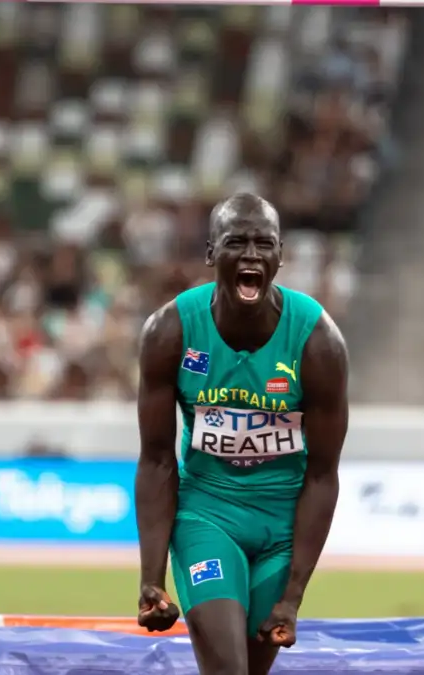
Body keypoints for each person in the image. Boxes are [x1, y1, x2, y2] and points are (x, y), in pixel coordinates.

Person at [134, 192, 349, 675]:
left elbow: (323, 475)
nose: (251, 254)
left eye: (263, 244)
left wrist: (293, 597)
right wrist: (151, 579)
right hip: (207, 517)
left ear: (279, 256)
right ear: (211, 253)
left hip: (282, 529)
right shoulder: (170, 331)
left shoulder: (317, 341)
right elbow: (156, 460)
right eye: (236, 242)